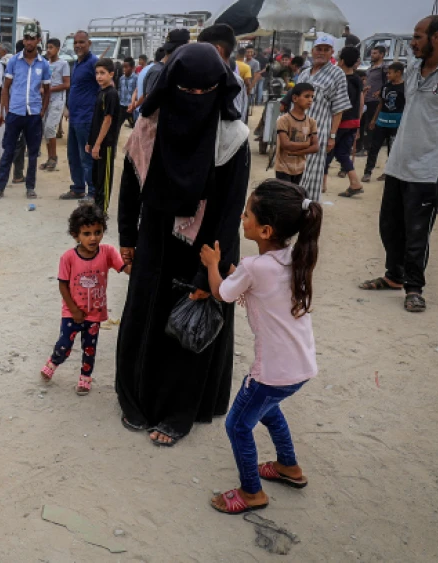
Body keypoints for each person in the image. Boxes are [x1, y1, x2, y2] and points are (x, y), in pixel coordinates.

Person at [115, 43, 250, 446]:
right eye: (185, 91)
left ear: (219, 89)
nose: (194, 100)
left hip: (205, 246)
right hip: (154, 238)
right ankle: (136, 399)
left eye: (203, 92)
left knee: (189, 327)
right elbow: (129, 186)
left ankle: (178, 412)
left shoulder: (232, 138)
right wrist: (126, 237)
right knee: (146, 316)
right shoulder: (149, 126)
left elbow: (229, 212)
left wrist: (205, 273)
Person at [200, 180, 322, 515]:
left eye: (248, 213)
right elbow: (250, 284)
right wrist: (231, 272)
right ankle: (289, 467)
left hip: (272, 372)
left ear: (265, 230)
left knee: (238, 424)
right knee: (268, 410)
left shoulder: (254, 268)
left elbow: (222, 293)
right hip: (300, 367)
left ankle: (251, 492)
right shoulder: (295, 256)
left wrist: (212, 265)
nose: (242, 217)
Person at [358, 15, 438, 313]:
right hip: (399, 160)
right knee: (389, 226)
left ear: (436, 37)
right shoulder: (412, 67)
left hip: (426, 167)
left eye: (418, 36)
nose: (412, 42)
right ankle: (394, 276)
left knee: (417, 232)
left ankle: (414, 288)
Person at [40, 204, 128, 395]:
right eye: (87, 233)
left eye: (98, 232)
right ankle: (54, 362)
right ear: (75, 235)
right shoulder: (68, 258)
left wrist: (139, 265)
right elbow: (63, 285)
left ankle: (85, 378)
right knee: (64, 345)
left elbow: (125, 269)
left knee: (89, 348)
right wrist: (74, 310)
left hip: (94, 314)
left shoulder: (108, 252)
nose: (93, 238)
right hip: (72, 313)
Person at [0, 23, 51, 200]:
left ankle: (30, 187)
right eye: (26, 38)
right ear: (23, 40)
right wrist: (4, 112)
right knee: (8, 151)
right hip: (15, 113)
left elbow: (47, 90)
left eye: (32, 38)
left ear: (38, 40)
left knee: (32, 153)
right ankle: (0, 188)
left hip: (33, 115)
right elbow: (5, 88)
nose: (29, 42)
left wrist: (42, 111)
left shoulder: (43, 65)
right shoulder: (14, 61)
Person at [294, 35, 351, 200]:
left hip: (319, 132)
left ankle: (309, 210)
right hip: (298, 130)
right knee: (295, 168)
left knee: (312, 172)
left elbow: (338, 109)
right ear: (313, 50)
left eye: (326, 50)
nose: (322, 53)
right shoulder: (304, 73)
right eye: (319, 49)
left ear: (332, 53)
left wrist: (332, 136)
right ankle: (293, 206)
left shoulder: (337, 74)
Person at [59, 30, 100, 200]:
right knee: (73, 155)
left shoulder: (94, 63)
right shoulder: (76, 63)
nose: (78, 46)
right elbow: (75, 89)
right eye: (75, 43)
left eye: (82, 42)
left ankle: (92, 192)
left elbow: (104, 88)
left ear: (89, 44)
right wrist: (67, 107)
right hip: (74, 117)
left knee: (87, 157)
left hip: (87, 118)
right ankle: (78, 188)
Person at [0, 40, 28, 186]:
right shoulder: (20, 64)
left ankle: (17, 174)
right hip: (20, 107)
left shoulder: (3, 63)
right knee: (17, 142)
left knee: (15, 141)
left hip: (8, 106)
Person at [331, 46, 366, 198]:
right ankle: (355, 182)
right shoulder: (357, 79)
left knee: (326, 152)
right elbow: (360, 101)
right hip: (353, 122)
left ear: (342, 61)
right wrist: (358, 122)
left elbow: (338, 105)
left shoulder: (340, 79)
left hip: (341, 122)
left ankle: (322, 185)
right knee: (342, 153)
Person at [363, 62, 405, 183]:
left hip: (396, 124)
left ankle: (388, 172)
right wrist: (374, 119)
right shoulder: (386, 87)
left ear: (398, 73)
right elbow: (381, 103)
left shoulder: (405, 88)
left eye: (390, 73)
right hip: (381, 122)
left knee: (392, 150)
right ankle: (367, 172)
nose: (387, 75)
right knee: (374, 148)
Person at [88, 58, 120, 212]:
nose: (99, 77)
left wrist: (99, 143)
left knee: (104, 178)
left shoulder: (111, 94)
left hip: (105, 144)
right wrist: (90, 141)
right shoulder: (101, 92)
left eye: (103, 73)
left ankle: (103, 209)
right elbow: (96, 119)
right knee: (96, 177)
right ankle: (97, 204)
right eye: (97, 73)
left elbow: (108, 120)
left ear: (111, 74)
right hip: (96, 142)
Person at [199, 24, 249, 123]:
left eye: (201, 49)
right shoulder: (237, 80)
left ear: (217, 50)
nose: (199, 54)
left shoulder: (230, 81)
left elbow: (234, 122)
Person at [274, 83, 319, 184]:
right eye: (306, 96)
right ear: (295, 98)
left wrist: (295, 152)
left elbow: (316, 147)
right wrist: (306, 144)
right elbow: (285, 144)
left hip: (300, 168)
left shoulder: (311, 122)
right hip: (283, 168)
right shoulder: (284, 120)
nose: (310, 100)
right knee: (285, 197)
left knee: (295, 197)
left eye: (312, 97)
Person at [41, 37, 70, 171]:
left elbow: (66, 84)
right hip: (46, 100)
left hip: (57, 100)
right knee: (46, 130)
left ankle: (54, 157)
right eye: (47, 47)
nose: (49, 50)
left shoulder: (63, 64)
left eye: (51, 47)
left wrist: (50, 89)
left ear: (58, 49)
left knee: (50, 128)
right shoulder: (46, 64)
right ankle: (49, 157)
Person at [357, 46, 387, 155]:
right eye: (372, 53)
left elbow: (388, 83)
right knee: (361, 124)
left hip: (375, 101)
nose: (372, 55)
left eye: (375, 53)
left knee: (371, 125)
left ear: (382, 55)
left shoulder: (384, 69)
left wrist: (380, 91)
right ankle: (360, 147)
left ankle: (368, 148)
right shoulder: (370, 69)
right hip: (365, 100)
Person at [0, 42, 15, 159]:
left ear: (4, 51)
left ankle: (3, 156)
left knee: (2, 129)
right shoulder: (17, 61)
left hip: (2, 100)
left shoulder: (1, 64)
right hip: (15, 101)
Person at [129, 47, 163, 121]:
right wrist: (136, 104)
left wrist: (134, 105)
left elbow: (137, 90)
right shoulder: (157, 71)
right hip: (146, 113)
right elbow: (147, 94)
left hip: (138, 110)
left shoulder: (145, 69)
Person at [118, 57, 137, 129]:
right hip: (122, 106)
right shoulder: (121, 78)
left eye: (126, 67)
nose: (124, 69)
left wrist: (134, 103)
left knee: (134, 126)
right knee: (117, 125)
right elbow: (119, 89)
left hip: (130, 107)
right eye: (123, 67)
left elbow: (137, 92)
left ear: (132, 68)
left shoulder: (136, 78)